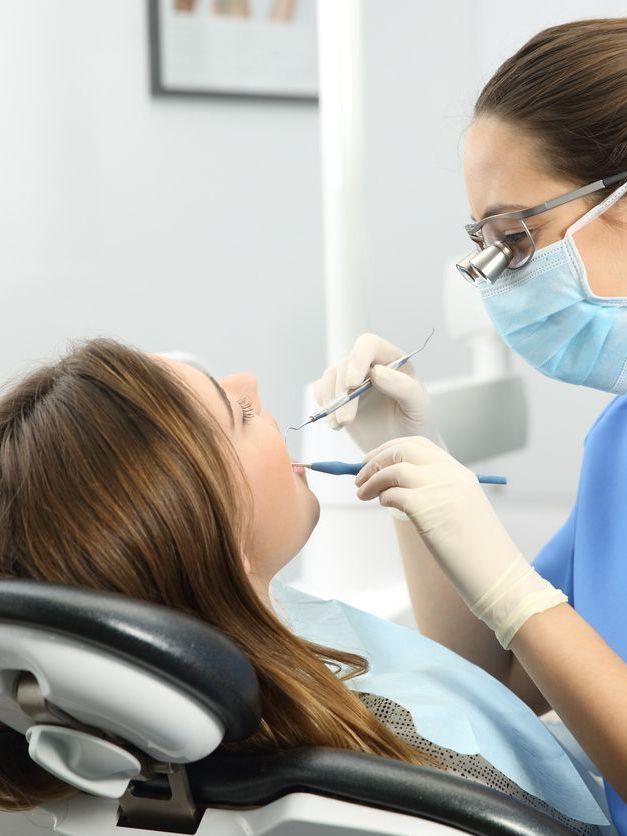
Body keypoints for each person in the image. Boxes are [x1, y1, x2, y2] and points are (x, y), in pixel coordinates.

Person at [0, 339, 604, 832]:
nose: (250, 381)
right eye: (236, 413)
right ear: (210, 533)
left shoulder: (233, 663)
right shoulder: (409, 770)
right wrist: (511, 593)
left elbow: (480, 687)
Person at [313, 17, 627, 833]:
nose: (500, 279)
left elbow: (522, 616)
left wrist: (516, 591)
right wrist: (408, 458)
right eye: (484, 247)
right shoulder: (617, 437)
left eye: (516, 239)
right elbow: (492, 672)